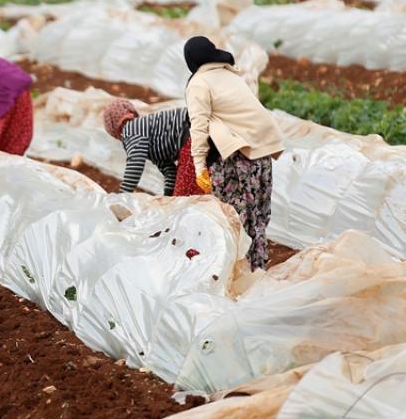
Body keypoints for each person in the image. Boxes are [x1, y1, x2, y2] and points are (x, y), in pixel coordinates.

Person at [184, 36, 284, 270]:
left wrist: (200, 167)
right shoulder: (231, 75)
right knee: (257, 219)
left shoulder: (199, 83)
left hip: (237, 160)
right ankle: (257, 272)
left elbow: (198, 126)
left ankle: (240, 277)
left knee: (234, 222)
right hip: (262, 155)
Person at [102, 100, 204, 196]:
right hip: (201, 130)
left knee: (185, 195)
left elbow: (135, 164)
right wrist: (168, 195)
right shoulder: (153, 141)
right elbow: (169, 170)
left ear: (114, 130)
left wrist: (123, 195)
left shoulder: (130, 129)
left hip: (192, 132)